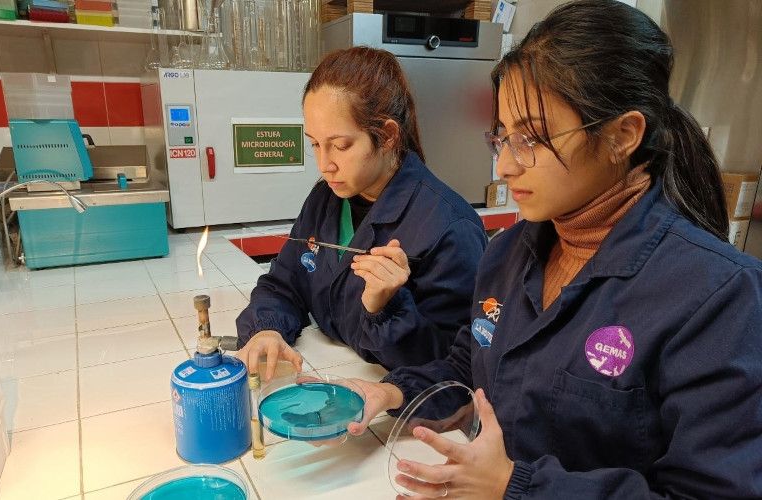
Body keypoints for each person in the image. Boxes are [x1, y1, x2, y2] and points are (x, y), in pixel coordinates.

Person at [346, 1, 762, 498]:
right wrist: (392, 390)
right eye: (502, 137)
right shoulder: (507, 256)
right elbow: (469, 369)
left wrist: (511, 486)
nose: (504, 167)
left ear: (621, 136)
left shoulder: (718, 297)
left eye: (532, 139)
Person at [235, 46, 488, 381]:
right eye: (315, 144)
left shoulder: (449, 227)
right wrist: (266, 330)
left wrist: (387, 309)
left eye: (341, 146)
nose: (325, 165)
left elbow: (455, 363)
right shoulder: (326, 199)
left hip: (395, 403)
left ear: (386, 136)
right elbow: (284, 284)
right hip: (326, 370)